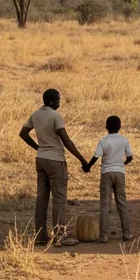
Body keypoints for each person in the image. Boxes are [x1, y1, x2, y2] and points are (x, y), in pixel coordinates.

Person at [19, 88, 90, 246]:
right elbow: (66, 140)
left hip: (41, 159)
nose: (59, 103)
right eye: (58, 100)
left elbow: (23, 133)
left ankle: (41, 235)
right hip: (56, 160)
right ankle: (60, 236)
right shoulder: (56, 116)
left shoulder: (36, 114)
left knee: (41, 199)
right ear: (52, 102)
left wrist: (38, 147)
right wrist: (82, 160)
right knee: (59, 199)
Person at [85, 114, 134, 243]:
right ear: (120, 127)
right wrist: (121, 164)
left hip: (106, 173)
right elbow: (130, 157)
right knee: (122, 203)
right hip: (119, 173)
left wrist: (87, 166)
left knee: (105, 205)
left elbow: (96, 156)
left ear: (106, 127)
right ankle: (126, 234)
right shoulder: (124, 140)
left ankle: (104, 236)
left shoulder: (103, 141)